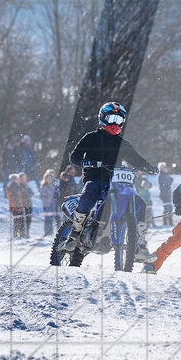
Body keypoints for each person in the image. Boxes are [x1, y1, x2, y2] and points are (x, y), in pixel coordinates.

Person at [62, 101, 157, 263]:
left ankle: (140, 245)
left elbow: (137, 159)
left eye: (119, 120)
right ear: (103, 118)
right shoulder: (91, 137)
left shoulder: (122, 143)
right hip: (95, 178)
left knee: (139, 203)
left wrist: (149, 167)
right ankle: (75, 233)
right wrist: (86, 162)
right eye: (112, 118)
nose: (115, 123)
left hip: (117, 183)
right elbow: (74, 156)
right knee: (89, 194)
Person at [40, 170, 58, 236]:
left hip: (53, 205)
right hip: (46, 205)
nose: (49, 180)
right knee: (47, 220)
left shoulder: (54, 186)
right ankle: (46, 233)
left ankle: (50, 233)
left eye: (50, 178)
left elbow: (55, 196)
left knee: (51, 220)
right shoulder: (44, 186)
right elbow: (43, 196)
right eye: (48, 178)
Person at [157, 162, 174, 226]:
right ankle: (165, 222)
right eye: (165, 167)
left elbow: (170, 181)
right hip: (164, 194)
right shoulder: (161, 175)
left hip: (168, 193)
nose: (166, 169)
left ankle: (170, 221)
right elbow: (167, 182)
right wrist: (170, 180)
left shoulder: (166, 175)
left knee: (170, 208)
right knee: (166, 208)